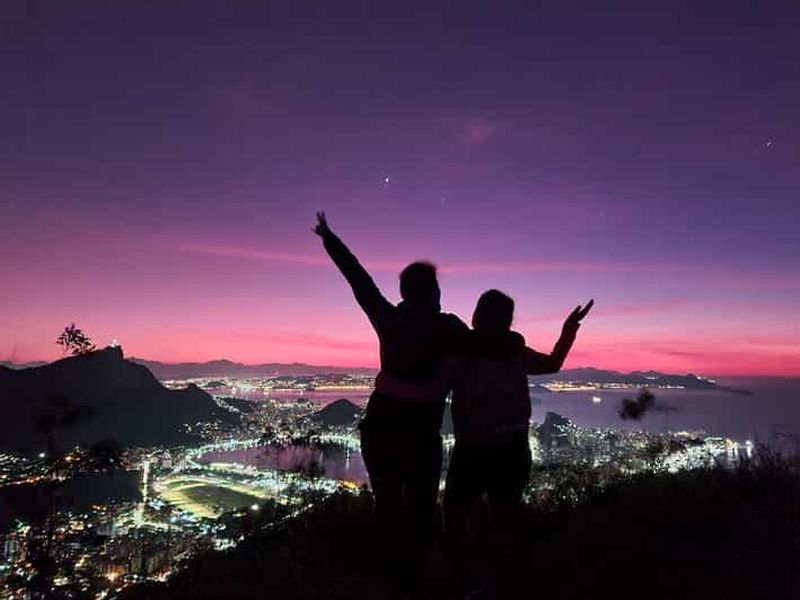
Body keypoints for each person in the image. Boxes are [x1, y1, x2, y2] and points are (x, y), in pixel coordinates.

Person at [312, 211, 469, 566]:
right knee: (423, 509)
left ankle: (392, 573)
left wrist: (329, 239)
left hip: (380, 428)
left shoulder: (389, 318)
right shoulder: (449, 327)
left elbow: (359, 280)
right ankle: (419, 573)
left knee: (388, 508)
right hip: (419, 434)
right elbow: (486, 347)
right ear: (434, 294)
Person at [443, 290, 593, 545]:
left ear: (477, 315)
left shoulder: (462, 351)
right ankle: (502, 575)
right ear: (508, 320)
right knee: (505, 517)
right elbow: (553, 363)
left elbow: (438, 386)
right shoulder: (515, 351)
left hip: (473, 446)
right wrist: (568, 331)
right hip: (513, 447)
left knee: (456, 513)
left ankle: (463, 575)